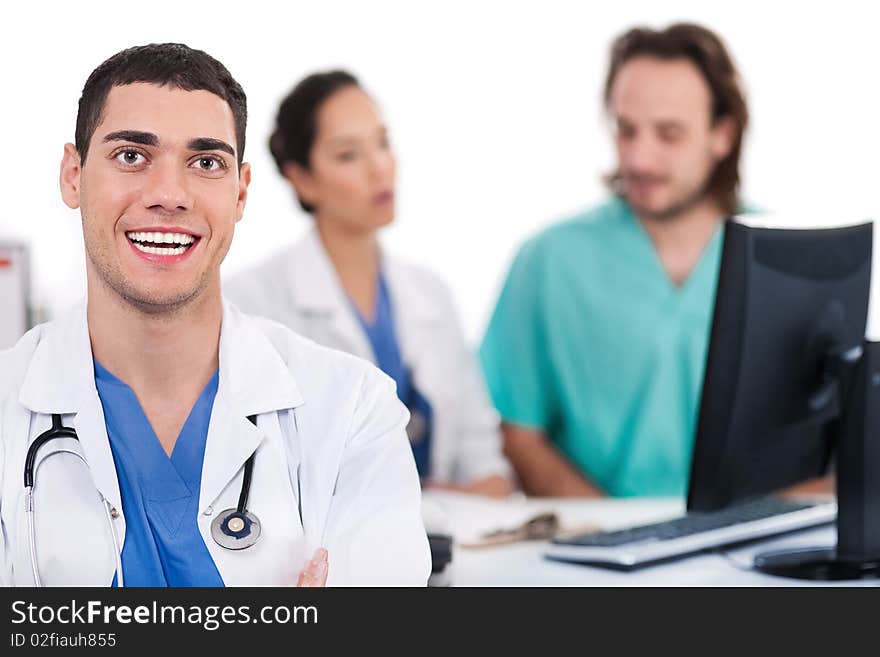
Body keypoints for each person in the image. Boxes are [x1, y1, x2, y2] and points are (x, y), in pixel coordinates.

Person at [0, 44, 430, 586]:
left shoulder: (353, 414)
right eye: (132, 155)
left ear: (241, 192)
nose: (169, 194)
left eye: (206, 163)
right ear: (73, 175)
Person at [479, 23, 750, 498]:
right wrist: (613, 538)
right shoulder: (549, 260)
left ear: (722, 134)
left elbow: (828, 437)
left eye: (669, 135)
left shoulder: (784, 255)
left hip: (750, 552)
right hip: (597, 551)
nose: (640, 158)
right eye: (626, 130)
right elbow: (516, 432)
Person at [224, 71, 513, 497]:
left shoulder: (430, 293)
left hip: (447, 545)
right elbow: (258, 480)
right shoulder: (250, 303)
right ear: (301, 178)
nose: (380, 168)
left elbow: (487, 469)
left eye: (382, 143)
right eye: (348, 155)